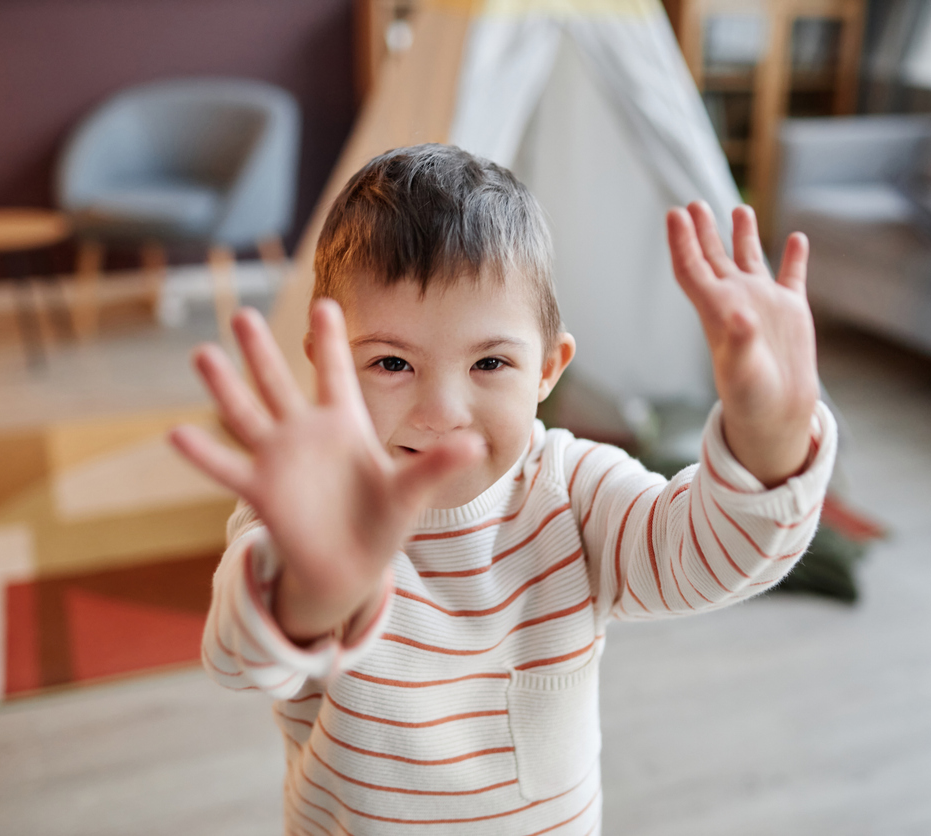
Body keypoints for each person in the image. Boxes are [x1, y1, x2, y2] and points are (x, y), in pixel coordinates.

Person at [170, 143, 837, 835]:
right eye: (392, 362)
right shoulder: (308, 508)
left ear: (549, 368)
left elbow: (706, 556)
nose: (443, 412)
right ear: (327, 359)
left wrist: (771, 438)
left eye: (490, 362)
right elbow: (238, 659)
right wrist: (311, 593)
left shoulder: (573, 490)